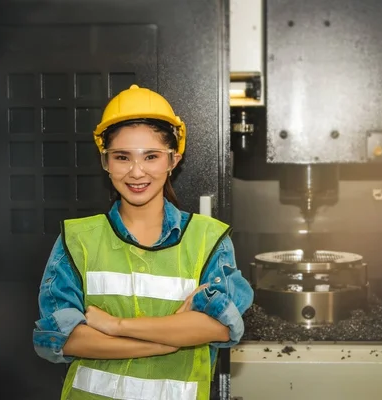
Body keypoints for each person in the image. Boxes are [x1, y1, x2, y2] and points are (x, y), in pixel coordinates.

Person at [32, 85, 254, 400]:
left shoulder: (208, 239)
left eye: (151, 156)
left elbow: (221, 327)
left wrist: (115, 325)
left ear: (173, 160)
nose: (137, 172)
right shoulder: (77, 239)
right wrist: (168, 340)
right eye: (122, 157)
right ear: (105, 162)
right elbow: (62, 339)